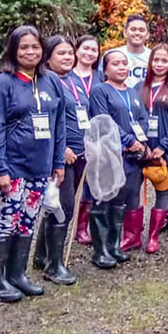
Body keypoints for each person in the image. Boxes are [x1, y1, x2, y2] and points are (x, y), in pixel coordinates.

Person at [0, 25, 67, 302]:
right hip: (13, 166)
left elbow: (60, 123)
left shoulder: (52, 81)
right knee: (7, 220)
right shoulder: (3, 83)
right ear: (13, 51)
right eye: (24, 47)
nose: (30, 52)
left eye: (35, 47)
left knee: (27, 221)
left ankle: (17, 274)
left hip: (41, 166)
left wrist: (58, 161)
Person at [88, 50, 150, 268]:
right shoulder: (100, 91)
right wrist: (127, 140)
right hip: (109, 155)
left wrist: (140, 140)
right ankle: (100, 250)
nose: (122, 67)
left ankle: (114, 246)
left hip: (132, 158)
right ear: (105, 69)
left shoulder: (133, 92)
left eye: (124, 63)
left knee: (120, 202)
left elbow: (142, 118)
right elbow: (104, 121)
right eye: (116, 64)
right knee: (104, 201)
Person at [30, 35, 83, 287]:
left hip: (80, 153)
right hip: (60, 155)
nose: (67, 57)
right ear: (48, 57)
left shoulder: (75, 80)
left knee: (57, 205)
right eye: (61, 53)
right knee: (64, 206)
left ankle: (42, 255)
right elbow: (47, 120)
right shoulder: (45, 82)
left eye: (70, 53)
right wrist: (60, 151)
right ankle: (54, 264)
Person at [139, 44, 168, 253]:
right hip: (140, 150)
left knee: (163, 191)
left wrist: (163, 147)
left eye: (164, 61)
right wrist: (141, 145)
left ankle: (153, 236)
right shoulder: (138, 87)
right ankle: (131, 235)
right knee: (132, 192)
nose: (159, 65)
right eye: (155, 60)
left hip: (167, 151)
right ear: (150, 62)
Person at [71, 35, 101, 245]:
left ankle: (84, 227)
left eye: (94, 50)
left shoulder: (100, 77)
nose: (89, 53)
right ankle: (67, 224)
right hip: (74, 138)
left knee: (91, 183)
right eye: (86, 49)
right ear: (77, 50)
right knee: (71, 185)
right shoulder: (65, 77)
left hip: (97, 138)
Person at [106, 14, 151, 88]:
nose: (137, 33)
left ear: (147, 35)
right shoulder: (111, 56)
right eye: (133, 29)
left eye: (141, 30)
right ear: (125, 33)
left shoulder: (153, 57)